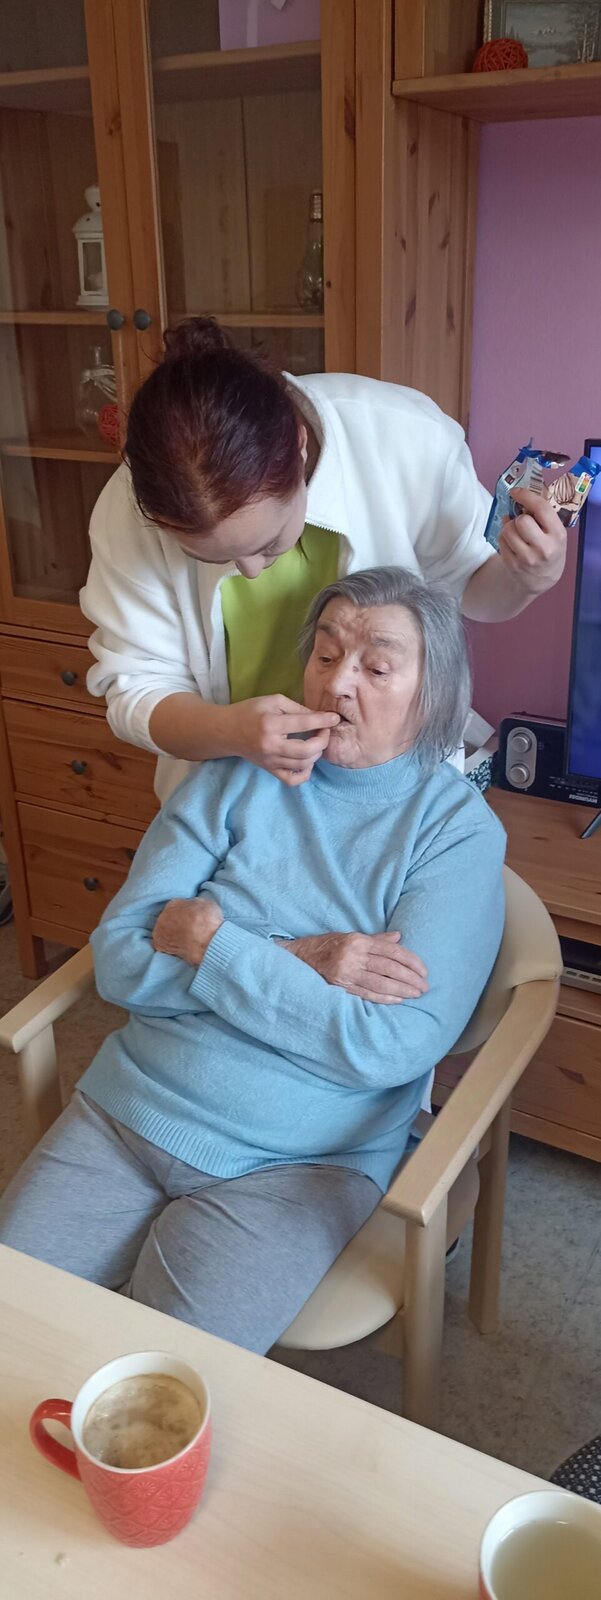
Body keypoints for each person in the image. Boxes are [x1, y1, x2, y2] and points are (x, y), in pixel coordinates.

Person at [0, 568, 505, 1352]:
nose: (337, 683)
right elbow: (121, 961)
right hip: (130, 1110)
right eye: (325, 655)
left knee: (168, 1383)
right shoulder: (234, 775)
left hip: (298, 1163)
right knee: (12, 1325)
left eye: (375, 667)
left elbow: (389, 1044)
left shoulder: (455, 834)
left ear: (432, 694)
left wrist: (212, 944)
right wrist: (302, 959)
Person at [81, 319, 567, 803]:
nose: (251, 570)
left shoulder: (404, 437)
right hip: (230, 799)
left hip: (393, 789)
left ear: (299, 444)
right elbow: (138, 692)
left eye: (269, 543)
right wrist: (230, 731)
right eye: (205, 556)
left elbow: (473, 588)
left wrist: (527, 577)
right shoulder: (129, 509)